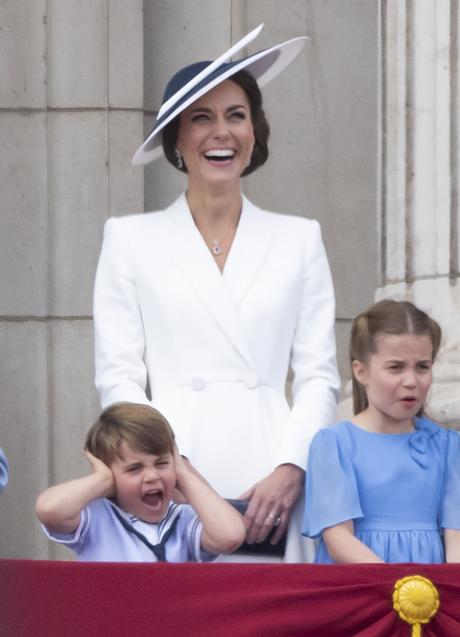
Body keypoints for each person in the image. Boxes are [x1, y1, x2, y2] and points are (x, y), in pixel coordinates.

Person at [93, 24, 340, 562]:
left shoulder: (300, 239)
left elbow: (320, 375)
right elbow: (118, 375)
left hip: (272, 478)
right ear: (175, 139)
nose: (220, 133)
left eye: (235, 115)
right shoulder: (130, 239)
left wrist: (292, 466)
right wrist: (158, 469)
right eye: (200, 118)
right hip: (172, 474)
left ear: (256, 131)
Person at [303, 299, 460, 563]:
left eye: (422, 367)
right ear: (361, 371)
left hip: (431, 593)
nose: (411, 381)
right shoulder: (334, 444)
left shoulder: (448, 446)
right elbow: (338, 538)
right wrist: (399, 589)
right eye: (395, 367)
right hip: (360, 588)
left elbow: (456, 537)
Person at [36, 403, 245, 562]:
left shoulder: (183, 519)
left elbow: (230, 535)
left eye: (161, 463)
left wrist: (182, 473)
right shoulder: (96, 518)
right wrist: (102, 480)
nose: (152, 476)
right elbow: (49, 509)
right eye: (134, 468)